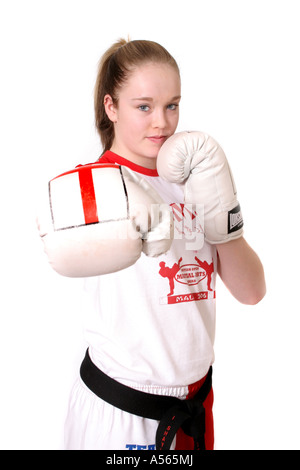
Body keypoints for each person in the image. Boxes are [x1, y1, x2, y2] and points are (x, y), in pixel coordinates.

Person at [63, 38, 266, 450]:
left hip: (193, 407)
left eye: (172, 105)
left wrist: (224, 222)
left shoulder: (196, 177)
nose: (162, 122)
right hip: (123, 417)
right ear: (111, 107)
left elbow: (252, 292)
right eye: (144, 106)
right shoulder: (92, 188)